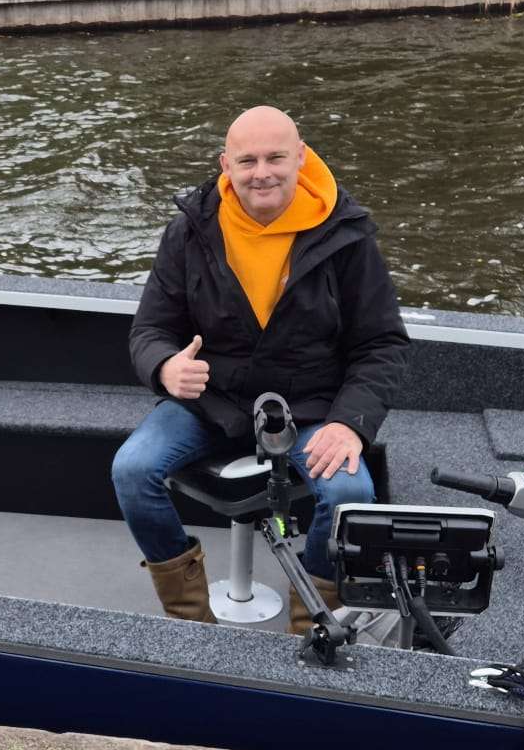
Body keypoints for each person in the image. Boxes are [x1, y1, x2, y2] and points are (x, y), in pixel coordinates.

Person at [116, 105, 410, 625]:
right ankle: (189, 617)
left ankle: (314, 624)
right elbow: (150, 330)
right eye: (247, 161)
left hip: (311, 406)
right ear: (225, 165)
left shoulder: (348, 236)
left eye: (276, 158)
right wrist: (164, 368)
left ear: (301, 157)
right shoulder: (189, 231)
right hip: (212, 404)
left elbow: (382, 344)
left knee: (350, 493)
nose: (262, 173)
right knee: (132, 470)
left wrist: (349, 424)